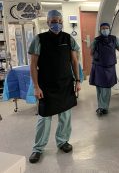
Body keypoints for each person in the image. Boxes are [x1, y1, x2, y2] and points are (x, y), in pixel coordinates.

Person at [28, 10, 81, 163]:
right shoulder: (39, 39)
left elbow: (74, 61)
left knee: (65, 117)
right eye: (53, 21)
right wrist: (36, 87)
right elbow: (33, 65)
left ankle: (63, 141)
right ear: (48, 23)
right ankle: (38, 148)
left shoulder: (68, 38)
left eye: (58, 21)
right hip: (46, 85)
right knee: (44, 118)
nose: (56, 24)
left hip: (65, 84)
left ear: (62, 22)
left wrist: (77, 81)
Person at [89, 22, 119, 116]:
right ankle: (101, 106)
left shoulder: (114, 39)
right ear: (100, 30)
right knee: (99, 87)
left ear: (109, 29)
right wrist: (97, 59)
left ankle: (104, 108)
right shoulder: (96, 40)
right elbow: (91, 52)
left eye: (106, 28)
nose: (105, 30)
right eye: (103, 28)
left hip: (109, 67)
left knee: (106, 88)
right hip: (99, 67)